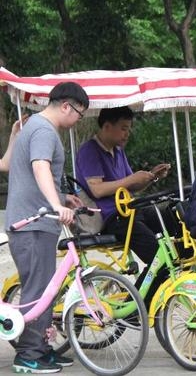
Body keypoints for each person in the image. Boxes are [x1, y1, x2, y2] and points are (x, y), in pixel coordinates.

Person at [5, 82, 88, 373]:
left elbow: (27, 173)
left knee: (45, 289)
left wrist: (63, 198)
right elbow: (40, 167)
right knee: (38, 290)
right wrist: (56, 205)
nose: (79, 120)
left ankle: (40, 348)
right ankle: (28, 355)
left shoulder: (37, 128)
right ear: (66, 106)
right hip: (33, 222)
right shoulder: (43, 130)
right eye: (79, 113)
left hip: (37, 220)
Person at [74, 106, 173, 307]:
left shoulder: (118, 151)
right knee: (158, 259)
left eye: (129, 128)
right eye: (124, 128)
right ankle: (134, 307)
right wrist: (131, 178)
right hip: (111, 217)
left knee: (172, 218)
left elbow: (131, 186)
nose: (127, 133)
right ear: (107, 126)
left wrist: (150, 176)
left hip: (129, 209)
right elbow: (98, 190)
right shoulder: (89, 151)